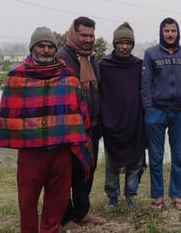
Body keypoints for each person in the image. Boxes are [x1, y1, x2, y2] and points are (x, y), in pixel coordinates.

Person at [0, 27, 91, 233]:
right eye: (41, 46)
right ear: (32, 48)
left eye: (50, 46)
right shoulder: (17, 78)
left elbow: (81, 113)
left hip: (61, 151)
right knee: (27, 202)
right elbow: (9, 114)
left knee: (58, 200)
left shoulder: (68, 78)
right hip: (31, 153)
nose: (46, 50)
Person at [58, 16, 106, 231]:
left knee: (87, 170)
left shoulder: (92, 58)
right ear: (73, 33)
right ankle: (65, 217)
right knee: (65, 173)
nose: (88, 39)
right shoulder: (62, 58)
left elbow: (98, 92)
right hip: (69, 128)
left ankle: (82, 212)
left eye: (91, 35)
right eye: (83, 35)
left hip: (92, 126)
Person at [141, 17, 181, 211]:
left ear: (178, 32)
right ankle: (157, 196)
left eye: (173, 31)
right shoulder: (150, 54)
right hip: (157, 111)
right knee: (155, 157)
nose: (170, 34)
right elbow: (145, 84)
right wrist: (148, 109)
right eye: (167, 31)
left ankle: (176, 195)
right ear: (161, 32)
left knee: (179, 157)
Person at [99, 22, 146, 211]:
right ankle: (112, 197)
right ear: (115, 44)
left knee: (135, 163)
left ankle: (131, 196)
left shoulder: (139, 66)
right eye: (121, 43)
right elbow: (100, 94)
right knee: (111, 165)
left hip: (134, 121)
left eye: (128, 43)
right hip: (112, 123)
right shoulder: (103, 66)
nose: (125, 47)